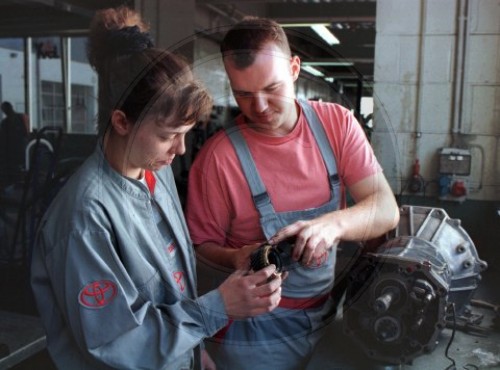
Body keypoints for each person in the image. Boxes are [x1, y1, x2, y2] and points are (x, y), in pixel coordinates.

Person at [30, 7, 283, 370]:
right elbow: (118, 345)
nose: (180, 150)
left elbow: (169, 277)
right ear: (121, 122)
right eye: (168, 136)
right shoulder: (84, 220)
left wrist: (196, 350)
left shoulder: (155, 172)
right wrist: (216, 309)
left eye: (185, 135)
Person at [185, 16, 400, 370]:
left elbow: (385, 209)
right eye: (243, 94)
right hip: (255, 334)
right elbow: (199, 253)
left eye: (272, 88)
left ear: (295, 69)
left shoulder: (338, 125)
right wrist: (237, 256)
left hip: (328, 317)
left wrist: (331, 226)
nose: (260, 107)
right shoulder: (217, 159)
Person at [0, 101, 29, 181]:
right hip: (13, 150)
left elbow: (26, 133)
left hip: (18, 149)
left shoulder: (21, 117)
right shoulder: (5, 122)